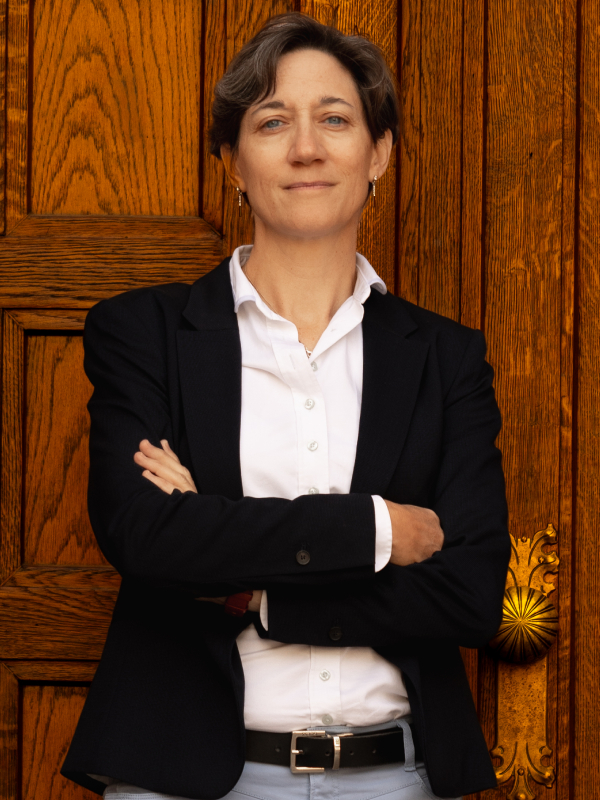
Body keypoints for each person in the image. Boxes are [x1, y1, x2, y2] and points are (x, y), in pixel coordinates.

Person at [61, 12, 510, 800]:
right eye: (272, 122)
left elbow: (469, 593)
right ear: (234, 161)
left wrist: (253, 585)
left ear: (378, 153)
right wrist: (376, 528)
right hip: (182, 776)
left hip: (394, 777)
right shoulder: (144, 332)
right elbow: (146, 535)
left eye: (335, 119)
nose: (306, 147)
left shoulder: (447, 359)